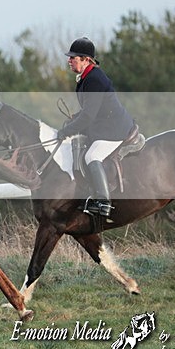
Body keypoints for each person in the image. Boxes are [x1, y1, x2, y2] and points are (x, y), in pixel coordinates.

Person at [56, 37, 135, 218]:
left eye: (73, 57)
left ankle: (103, 202)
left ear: (86, 59)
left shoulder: (94, 79)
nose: (69, 60)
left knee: (92, 155)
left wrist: (66, 131)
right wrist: (74, 120)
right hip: (103, 125)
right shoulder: (85, 78)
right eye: (70, 57)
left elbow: (89, 116)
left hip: (114, 128)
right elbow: (90, 110)